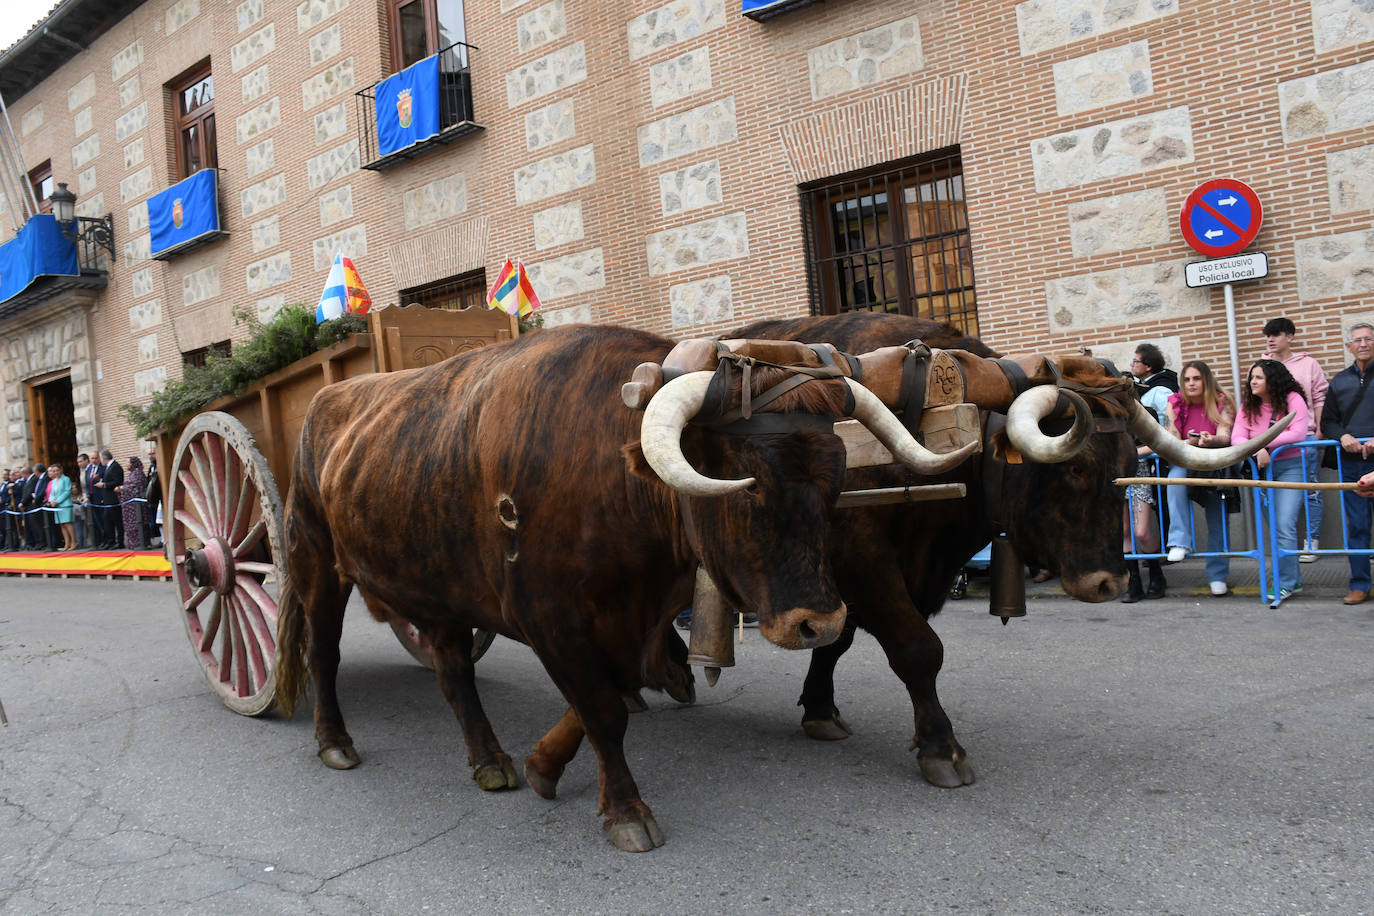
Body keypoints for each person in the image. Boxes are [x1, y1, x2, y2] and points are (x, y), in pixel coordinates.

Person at [1233, 359, 1310, 605]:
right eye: (1252, 377)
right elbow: (1237, 436)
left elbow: (1298, 432)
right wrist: (1256, 450)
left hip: (1291, 467)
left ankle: (1284, 584)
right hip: (1261, 471)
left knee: (1284, 525)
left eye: (1258, 377)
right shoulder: (1249, 405)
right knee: (1276, 527)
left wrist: (1263, 444)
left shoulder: (1292, 399)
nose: (1252, 382)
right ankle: (1294, 579)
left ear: (1272, 380)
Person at [1163, 360, 1237, 595]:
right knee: (1174, 483)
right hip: (1185, 460)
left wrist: (1211, 439)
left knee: (1218, 519)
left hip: (1214, 463)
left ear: (1206, 379)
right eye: (1187, 379)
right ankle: (1179, 541)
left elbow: (1225, 436)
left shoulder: (1222, 400)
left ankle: (1218, 575)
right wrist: (1192, 442)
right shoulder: (1174, 402)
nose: (1191, 383)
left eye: (1196, 378)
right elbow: (1172, 436)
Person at [1260, 318, 1329, 561]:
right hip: (1269, 443)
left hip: (1304, 438)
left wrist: (1319, 428)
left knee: (1310, 490)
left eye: (1276, 334)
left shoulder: (1308, 364)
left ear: (1290, 336)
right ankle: (1283, 545)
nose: (1270, 339)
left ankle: (1311, 542)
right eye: (1268, 335)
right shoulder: (1262, 366)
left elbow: (1320, 397)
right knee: (1270, 493)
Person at [1321, 323, 1374, 605]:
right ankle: (1360, 585)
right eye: (1358, 340)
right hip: (1353, 464)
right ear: (1348, 347)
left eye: (1368, 339)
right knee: (1358, 527)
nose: (1363, 344)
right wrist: (1343, 436)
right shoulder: (1339, 381)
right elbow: (1327, 421)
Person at [1122, 343, 1174, 602]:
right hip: (1115, 477)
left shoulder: (1147, 413)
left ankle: (1156, 573)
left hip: (1139, 473)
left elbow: (1157, 441)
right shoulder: (1111, 418)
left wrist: (1134, 453)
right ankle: (1133, 582)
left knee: (1141, 531)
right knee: (1124, 532)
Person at [93, 450, 124, 549]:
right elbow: (109, 477)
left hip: (113, 499)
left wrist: (104, 485)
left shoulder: (115, 466)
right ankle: (111, 541)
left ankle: (120, 542)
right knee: (107, 521)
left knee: (117, 521)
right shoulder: (108, 467)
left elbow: (118, 481)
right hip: (107, 500)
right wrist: (100, 477)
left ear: (104, 458)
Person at [44, 463, 76, 551]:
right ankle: (66, 543)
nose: (55, 472)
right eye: (53, 471)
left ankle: (73, 542)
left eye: (57, 470)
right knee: (62, 525)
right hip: (56, 506)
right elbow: (51, 493)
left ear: (61, 470)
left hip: (65, 504)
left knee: (67, 523)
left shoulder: (66, 479)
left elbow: (67, 491)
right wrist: (51, 501)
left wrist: (57, 501)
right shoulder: (53, 481)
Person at [121, 457, 148, 550]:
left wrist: (121, 489)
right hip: (130, 506)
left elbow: (135, 487)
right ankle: (133, 543)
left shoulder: (138, 473)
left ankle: (140, 543)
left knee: (139, 524)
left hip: (137, 505)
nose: (126, 465)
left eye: (127, 463)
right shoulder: (132, 474)